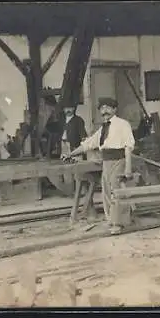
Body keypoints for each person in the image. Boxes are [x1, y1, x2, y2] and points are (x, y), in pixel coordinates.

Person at [62, 98, 135, 235]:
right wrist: (71, 154)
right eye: (102, 109)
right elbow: (88, 144)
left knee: (116, 192)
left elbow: (128, 146)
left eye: (108, 108)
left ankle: (118, 223)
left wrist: (128, 168)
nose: (104, 111)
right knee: (107, 193)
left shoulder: (123, 124)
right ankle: (111, 221)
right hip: (106, 161)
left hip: (119, 160)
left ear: (115, 109)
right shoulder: (103, 128)